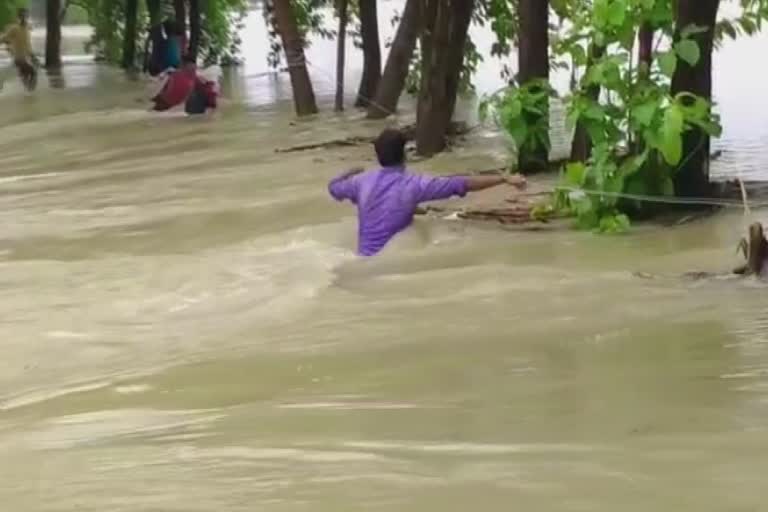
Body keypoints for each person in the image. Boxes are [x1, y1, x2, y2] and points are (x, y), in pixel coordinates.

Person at [328, 128, 527, 256]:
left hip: (363, 258)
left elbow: (334, 187)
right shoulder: (414, 184)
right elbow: (462, 184)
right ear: (404, 154)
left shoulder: (361, 182)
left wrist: (351, 171)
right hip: (392, 262)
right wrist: (504, 179)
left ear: (378, 156)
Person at [151, 55, 217, 114]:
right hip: (169, 101)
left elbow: (206, 89)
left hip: (170, 101)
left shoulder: (177, 73)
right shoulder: (176, 73)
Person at [0, 8, 38, 91]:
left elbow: (28, 44)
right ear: (19, 17)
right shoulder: (14, 28)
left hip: (25, 57)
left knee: (25, 77)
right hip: (19, 57)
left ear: (27, 17)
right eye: (22, 16)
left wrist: (32, 55)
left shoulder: (27, 27)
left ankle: (28, 97)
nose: (24, 18)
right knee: (33, 73)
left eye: (25, 16)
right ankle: (30, 95)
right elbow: (3, 38)